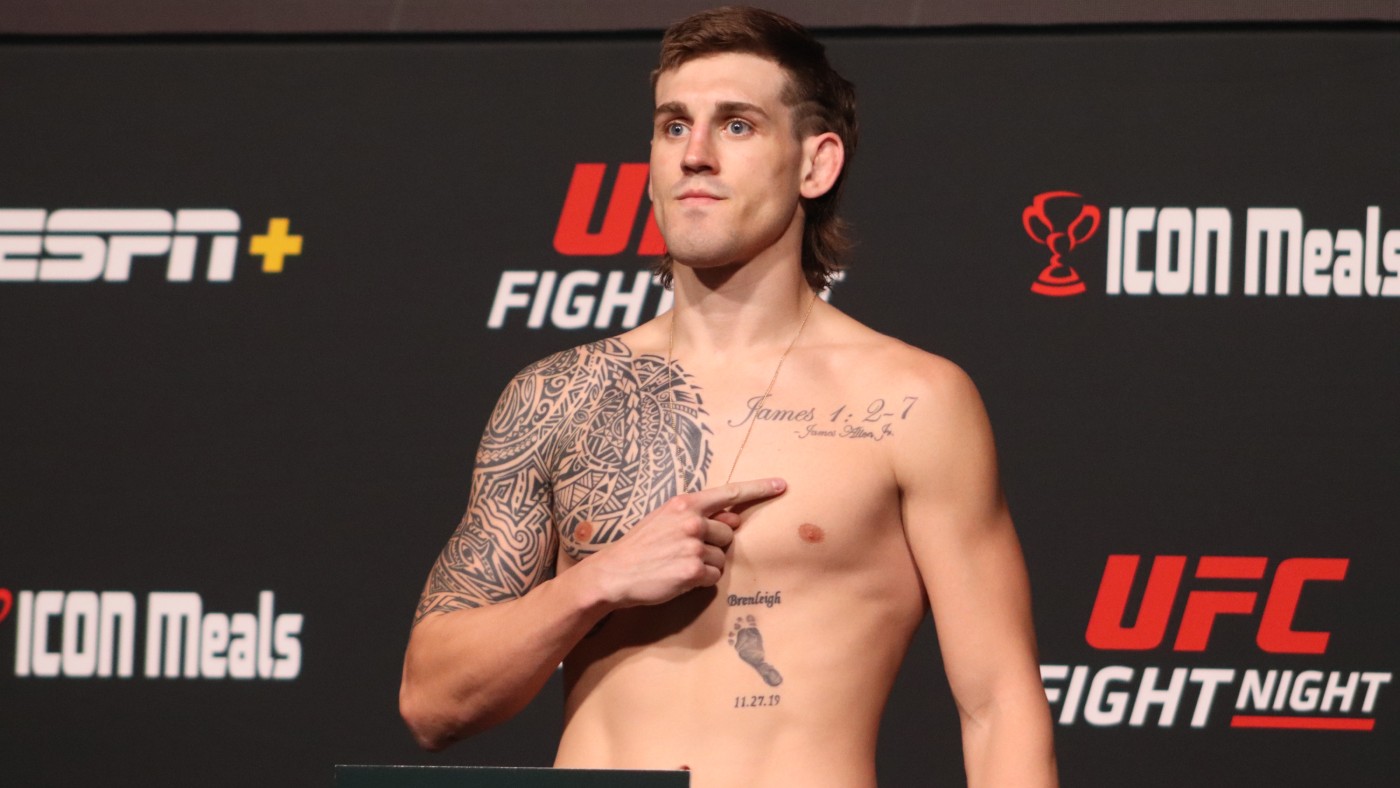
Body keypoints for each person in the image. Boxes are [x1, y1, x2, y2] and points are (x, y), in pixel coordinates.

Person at [400, 7, 1057, 787]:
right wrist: (597, 582)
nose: (695, 154)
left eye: (737, 125)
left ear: (815, 164)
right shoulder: (558, 395)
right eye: (673, 126)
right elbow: (431, 702)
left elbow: (999, 704)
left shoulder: (911, 401)